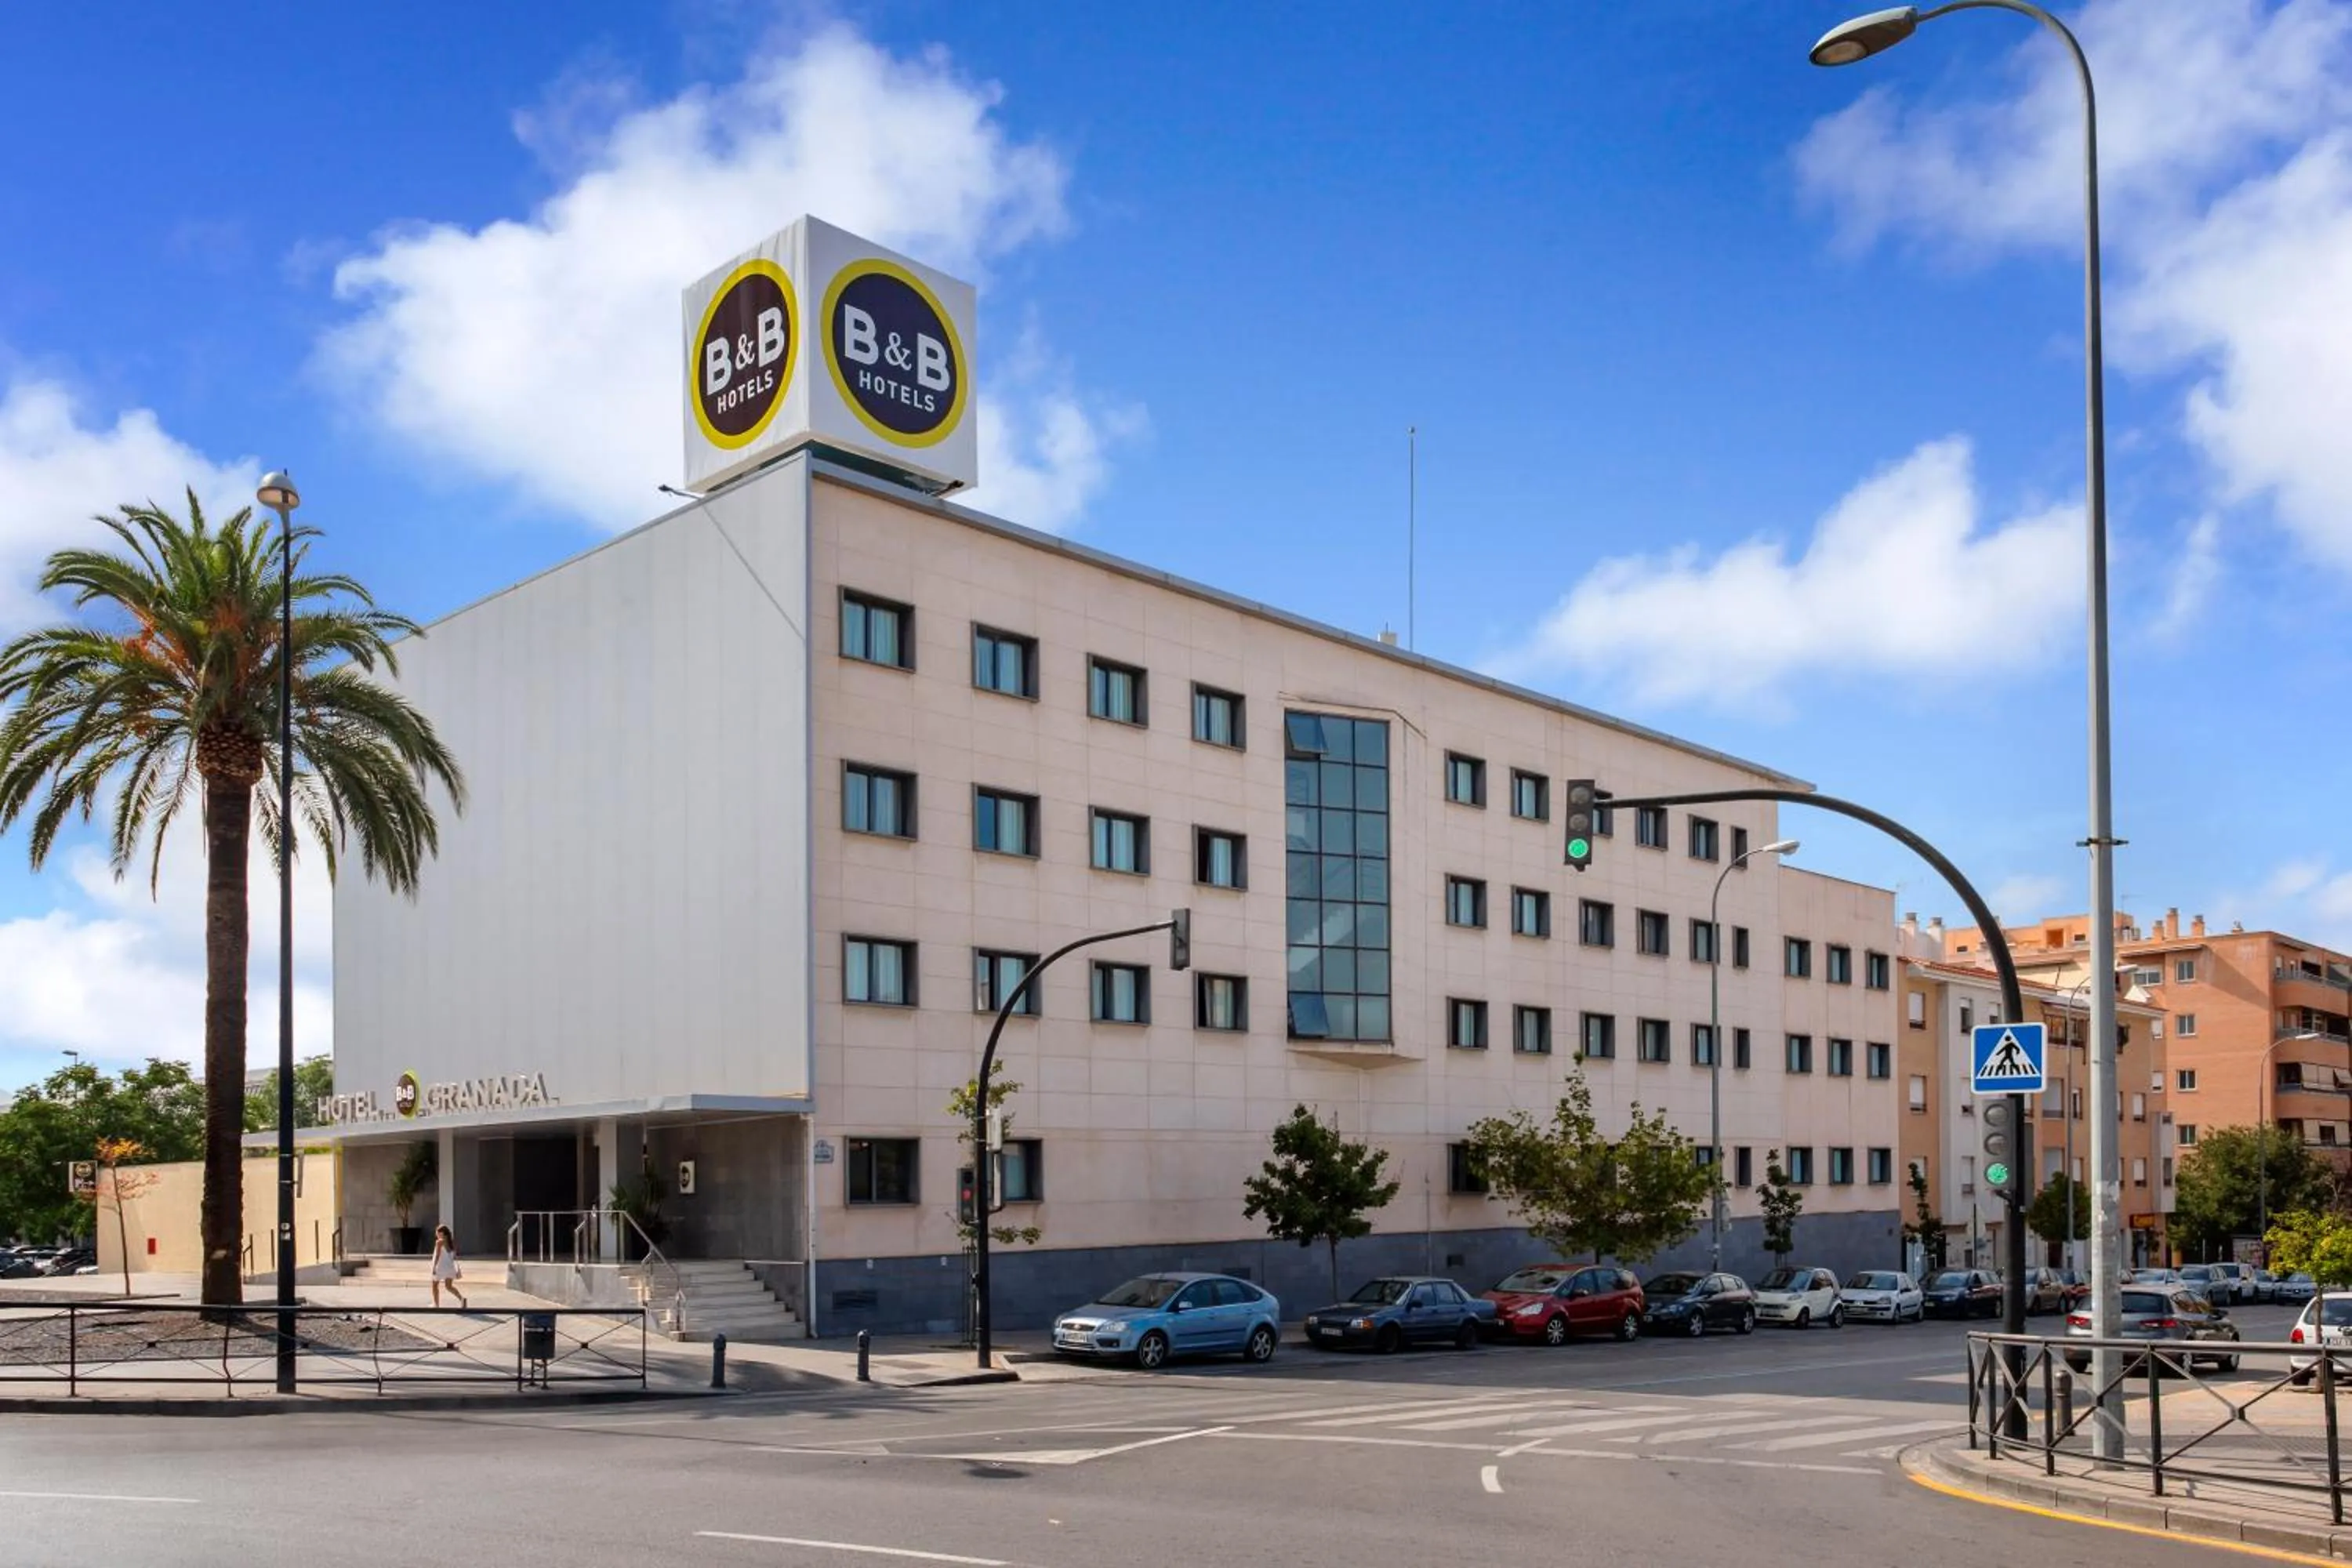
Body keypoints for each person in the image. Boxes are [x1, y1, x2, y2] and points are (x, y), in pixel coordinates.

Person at [429, 1224, 467, 1309]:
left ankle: (436, 1305)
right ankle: (462, 1299)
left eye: (438, 1232)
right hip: (450, 1267)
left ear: (442, 1233)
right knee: (449, 1286)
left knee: (435, 1285)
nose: (436, 1234)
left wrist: (434, 1267)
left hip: (441, 1267)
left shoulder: (439, 1242)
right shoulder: (451, 1242)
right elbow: (454, 1255)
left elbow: (438, 1255)